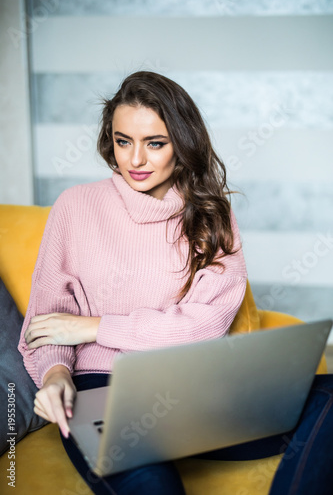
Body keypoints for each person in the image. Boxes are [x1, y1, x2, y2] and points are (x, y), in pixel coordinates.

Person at [18, 72, 333, 495]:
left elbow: (202, 326)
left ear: (181, 145)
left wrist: (96, 326)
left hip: (194, 388)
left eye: (155, 143)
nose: (136, 160)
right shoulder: (75, 207)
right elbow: (46, 323)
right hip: (103, 390)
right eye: (123, 140)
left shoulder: (211, 215)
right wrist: (57, 374)